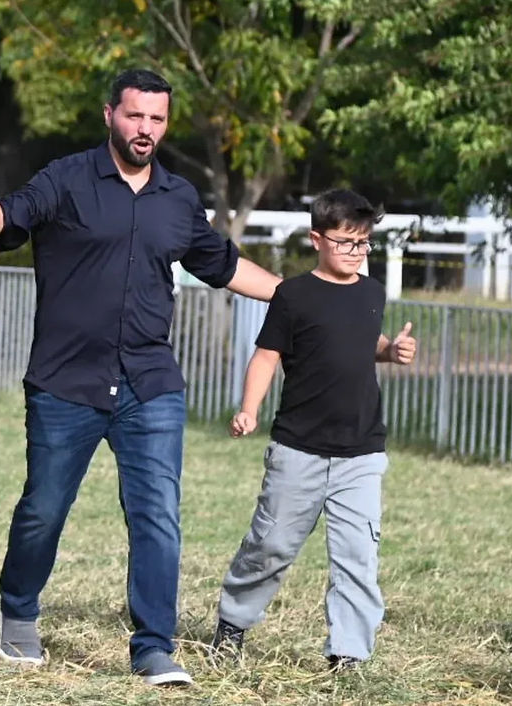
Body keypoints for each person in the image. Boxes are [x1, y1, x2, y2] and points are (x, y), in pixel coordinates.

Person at [0, 68, 281, 687]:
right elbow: (16, 210)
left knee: (158, 513)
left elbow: (222, 265)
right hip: (66, 381)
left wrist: (296, 300)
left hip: (150, 381)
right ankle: (19, 612)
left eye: (157, 119)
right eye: (135, 116)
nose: (146, 129)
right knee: (44, 508)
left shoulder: (178, 198)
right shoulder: (68, 178)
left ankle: (154, 646)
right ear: (110, 113)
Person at [210, 188, 417, 672]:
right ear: (317, 239)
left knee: (356, 557)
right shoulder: (293, 295)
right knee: (271, 546)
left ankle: (348, 654)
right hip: (297, 450)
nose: (356, 252)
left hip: (362, 453)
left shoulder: (371, 292)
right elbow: (267, 355)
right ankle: (233, 622)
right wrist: (249, 408)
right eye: (346, 242)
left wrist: (391, 352)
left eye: (364, 243)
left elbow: (363, 342)